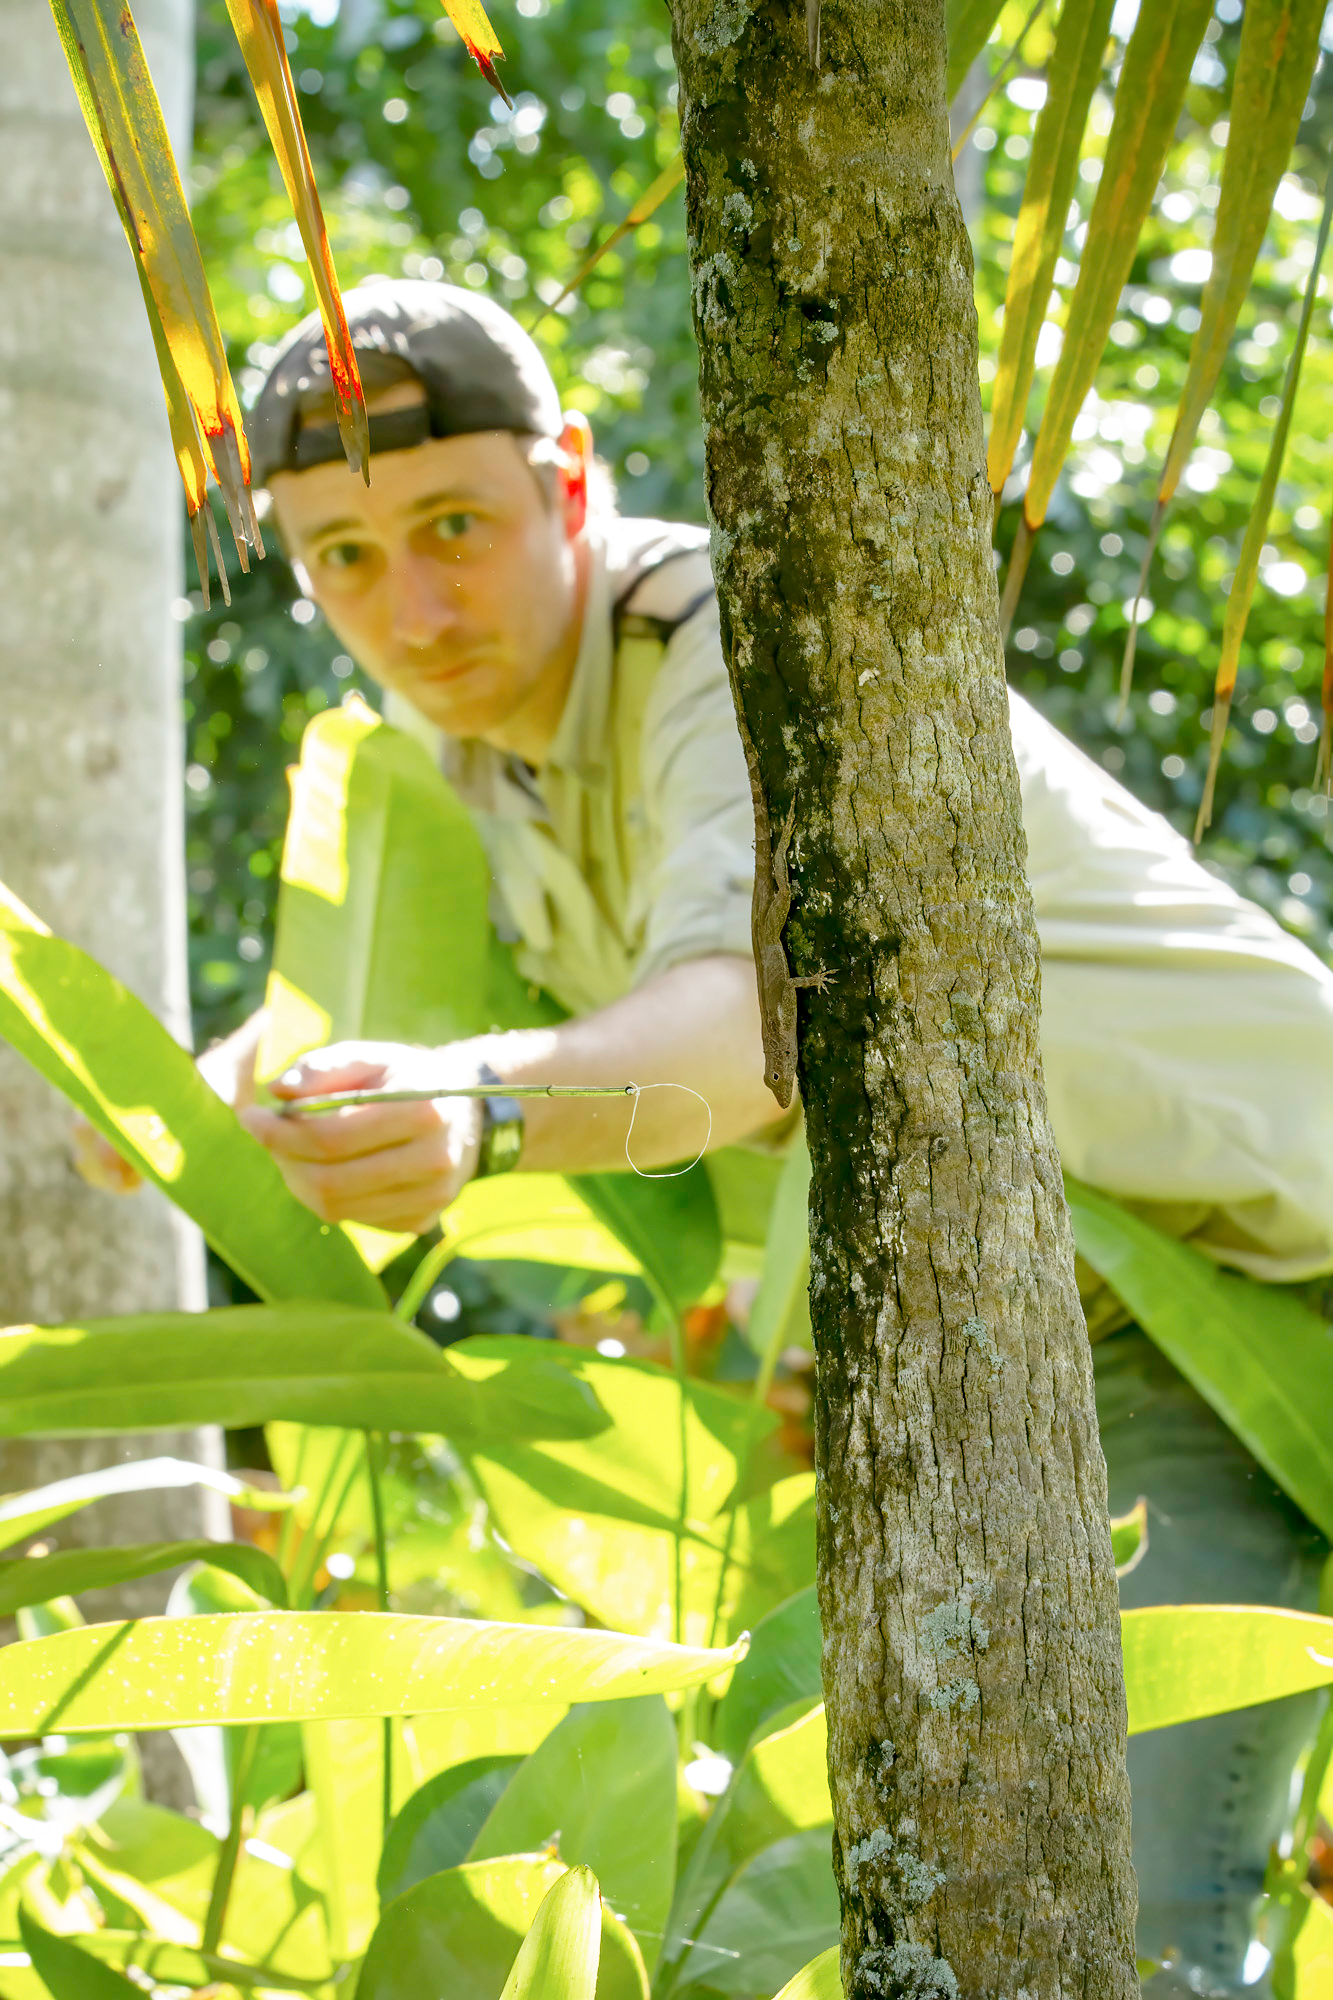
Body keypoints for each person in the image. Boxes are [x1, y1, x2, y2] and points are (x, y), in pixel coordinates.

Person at [85, 280, 1332, 1992]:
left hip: (1263, 1281)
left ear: (569, 483)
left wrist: (481, 1112)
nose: (414, 606)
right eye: (345, 557)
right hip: (1050, 1337)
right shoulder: (472, 757)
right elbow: (375, 1012)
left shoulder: (730, 642)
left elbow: (750, 1041)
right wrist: (185, 1103)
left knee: (1124, 1923)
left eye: (454, 526)